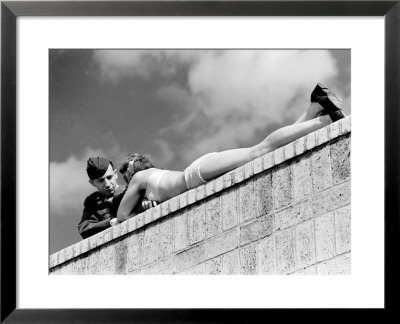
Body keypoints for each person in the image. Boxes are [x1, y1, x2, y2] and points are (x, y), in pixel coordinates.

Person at [116, 83, 346, 222]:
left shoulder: (138, 178)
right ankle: (316, 107)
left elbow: (123, 217)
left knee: (260, 151)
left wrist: (140, 212)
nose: (126, 181)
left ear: (132, 167)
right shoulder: (153, 178)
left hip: (194, 175)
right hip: (196, 170)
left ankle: (325, 120)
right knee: (265, 152)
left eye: (124, 174)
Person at [78, 157, 156, 238]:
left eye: (109, 177)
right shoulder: (93, 202)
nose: (107, 184)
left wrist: (145, 202)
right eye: (101, 181)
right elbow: (84, 228)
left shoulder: (131, 190)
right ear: (92, 183)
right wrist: (111, 222)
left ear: (115, 174)